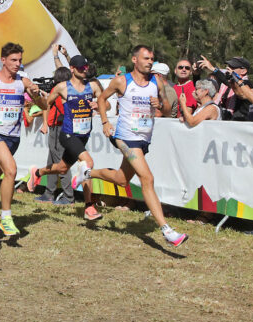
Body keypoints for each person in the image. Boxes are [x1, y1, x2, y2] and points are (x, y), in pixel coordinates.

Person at [74, 44, 188, 247]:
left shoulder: (157, 82)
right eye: (146, 58)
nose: (150, 62)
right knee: (147, 178)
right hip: (125, 138)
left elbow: (169, 108)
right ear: (135, 60)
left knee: (121, 179)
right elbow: (101, 98)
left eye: (152, 59)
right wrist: (105, 122)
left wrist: (159, 105)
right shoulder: (121, 81)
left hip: (143, 138)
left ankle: (87, 174)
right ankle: (167, 230)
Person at [0, 42, 47, 237]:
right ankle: (6, 217)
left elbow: (44, 104)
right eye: (13, 60)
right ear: (3, 60)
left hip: (13, 137)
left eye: (20, 60)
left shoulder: (23, 82)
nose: (17, 64)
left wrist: (36, 95)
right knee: (11, 170)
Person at [30, 55, 103, 219]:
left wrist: (99, 105)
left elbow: (107, 103)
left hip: (84, 134)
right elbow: (45, 104)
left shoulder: (93, 86)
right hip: (67, 133)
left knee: (62, 168)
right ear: (72, 69)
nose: (85, 71)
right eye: (80, 68)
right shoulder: (62, 87)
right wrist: (36, 96)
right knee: (88, 163)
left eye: (86, 68)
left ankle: (38, 172)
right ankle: (89, 207)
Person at [31, 65, 73, 206]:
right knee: (52, 160)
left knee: (60, 163)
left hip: (58, 127)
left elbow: (55, 107)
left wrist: (47, 98)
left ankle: (68, 197)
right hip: (60, 127)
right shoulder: (70, 89)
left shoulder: (59, 90)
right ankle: (49, 193)